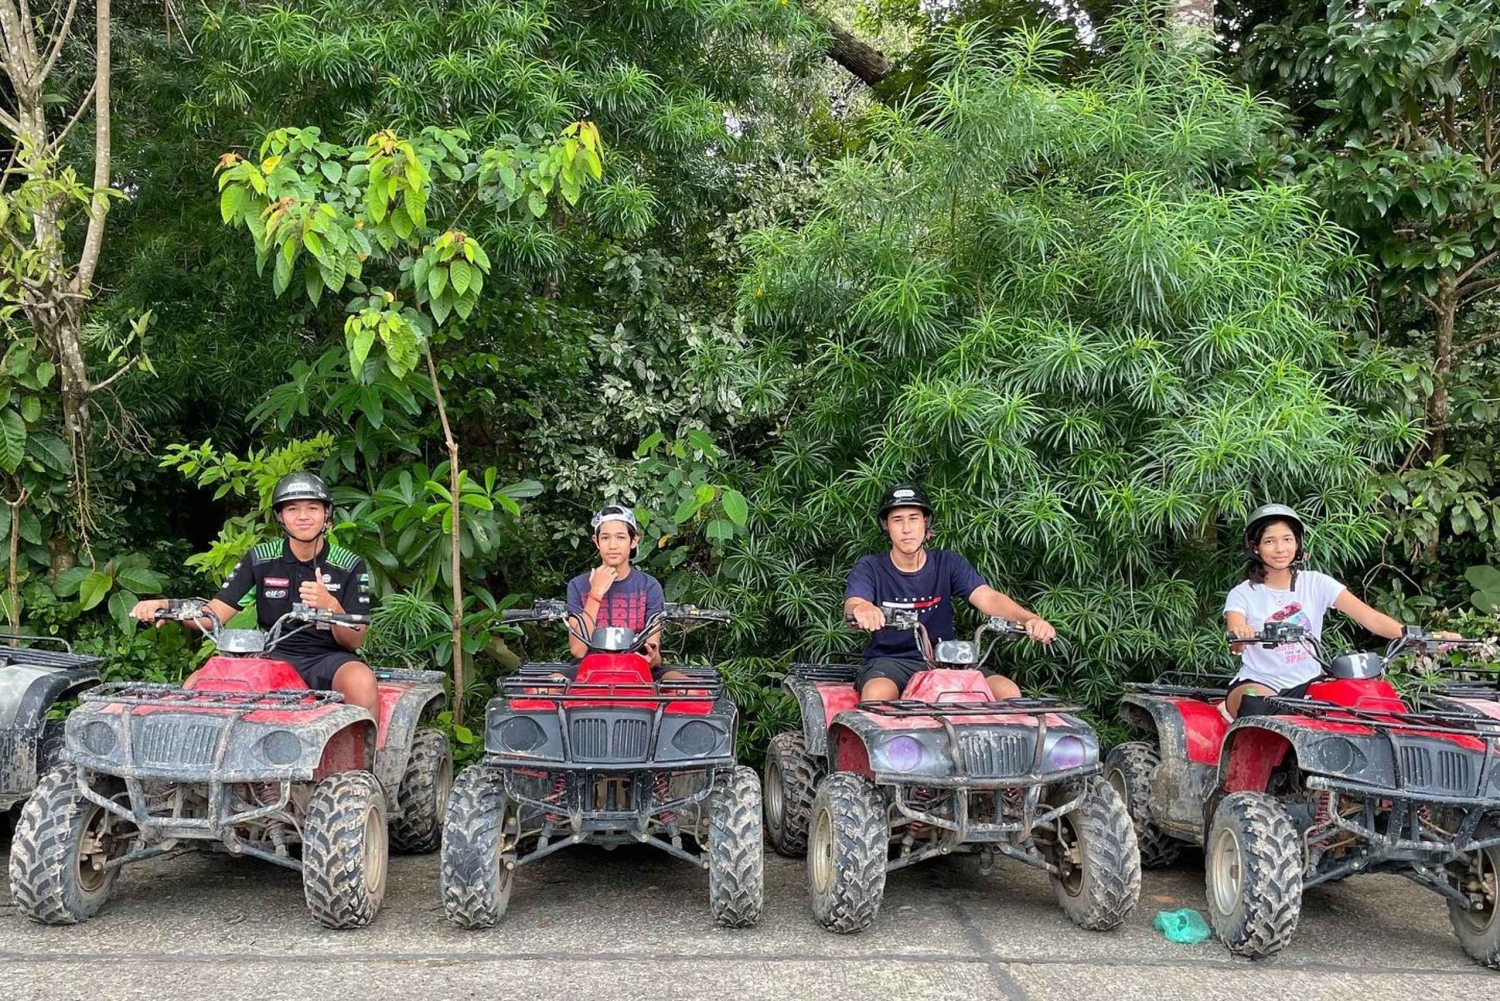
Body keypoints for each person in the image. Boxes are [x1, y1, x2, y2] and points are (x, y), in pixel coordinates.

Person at [132, 471, 379, 715]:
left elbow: (355, 640)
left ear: (326, 513)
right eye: (292, 509)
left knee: (361, 681)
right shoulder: (260, 558)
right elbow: (214, 614)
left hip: (329, 659)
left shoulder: (348, 564)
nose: (303, 516)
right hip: (270, 657)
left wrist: (330, 606)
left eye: (312, 508)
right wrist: (168, 606)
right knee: (197, 683)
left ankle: (371, 743)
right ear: (280, 516)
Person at [1223, 503, 1454, 718]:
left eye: (1287, 539)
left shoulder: (1316, 583)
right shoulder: (1242, 593)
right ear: (1255, 547)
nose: (1280, 549)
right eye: (1269, 541)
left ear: (1298, 543)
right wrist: (1242, 634)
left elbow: (1370, 618)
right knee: (1258, 706)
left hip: (1309, 684)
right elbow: (1235, 640)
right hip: (1260, 681)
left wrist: (1421, 637)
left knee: (1362, 706)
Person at [843, 484, 1056, 702]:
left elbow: (988, 597)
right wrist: (863, 608)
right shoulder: (870, 567)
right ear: (886, 525)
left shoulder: (948, 563)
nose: (906, 528)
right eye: (897, 520)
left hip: (946, 662)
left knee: (1007, 691)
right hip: (891, 662)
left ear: (926, 523)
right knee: (877, 693)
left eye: (913, 519)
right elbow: (854, 602)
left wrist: (1030, 619)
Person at [565, 504, 683, 680]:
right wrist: (595, 593)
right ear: (596, 541)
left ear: (633, 541)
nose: (612, 545)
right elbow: (578, 650)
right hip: (587, 667)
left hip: (638, 665)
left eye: (620, 537)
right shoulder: (578, 585)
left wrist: (652, 658)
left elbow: (653, 648)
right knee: (540, 689)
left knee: (688, 688)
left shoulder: (649, 585)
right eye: (605, 537)